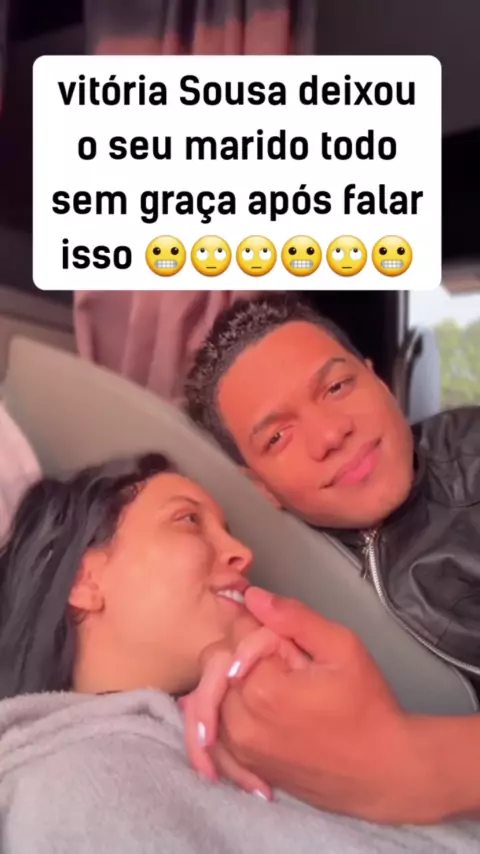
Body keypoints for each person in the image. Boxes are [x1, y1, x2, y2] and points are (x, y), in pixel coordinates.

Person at [1, 455, 479, 853]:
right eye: (188, 520)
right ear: (84, 581)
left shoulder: (271, 726)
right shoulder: (68, 789)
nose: (241, 552)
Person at [184, 292, 480, 825]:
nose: (329, 434)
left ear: (380, 382)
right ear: (260, 487)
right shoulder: (264, 563)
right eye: (278, 437)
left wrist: (418, 769)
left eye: (338, 387)